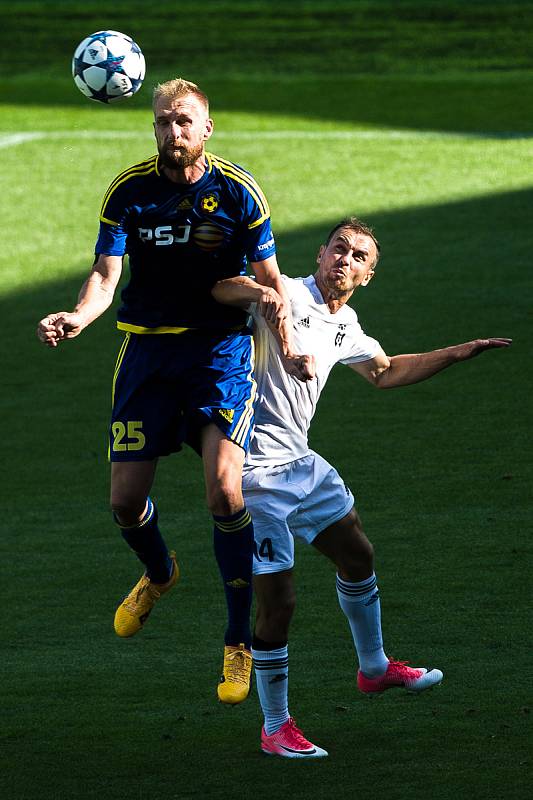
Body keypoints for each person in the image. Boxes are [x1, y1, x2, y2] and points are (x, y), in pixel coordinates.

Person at [36, 77, 311, 706]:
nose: (172, 131)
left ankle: (238, 641)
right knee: (124, 504)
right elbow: (106, 277)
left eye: (184, 120)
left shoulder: (239, 194)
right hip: (148, 355)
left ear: (207, 128)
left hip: (219, 355)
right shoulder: (129, 192)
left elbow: (268, 282)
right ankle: (160, 572)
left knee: (223, 490)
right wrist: (78, 316)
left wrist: (289, 343)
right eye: (163, 121)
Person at [211, 216, 511, 757]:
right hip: (252, 474)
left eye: (357, 257)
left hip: (301, 465)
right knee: (278, 604)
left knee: (357, 553)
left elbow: (385, 370)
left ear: (367, 275)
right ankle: (275, 725)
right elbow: (221, 287)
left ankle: (373, 668)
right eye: (338, 250)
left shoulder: (345, 323)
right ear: (320, 254)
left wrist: (458, 352)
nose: (344, 260)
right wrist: (258, 290)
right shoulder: (282, 291)